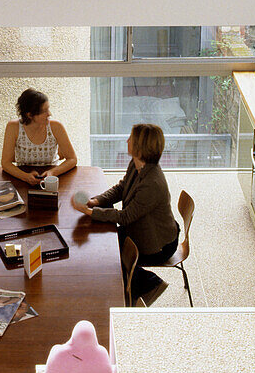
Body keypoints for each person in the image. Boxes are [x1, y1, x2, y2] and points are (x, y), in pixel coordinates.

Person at [72, 123, 178, 307]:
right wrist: (96, 201)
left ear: (140, 147)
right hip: (139, 229)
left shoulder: (152, 183)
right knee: (103, 244)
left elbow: (125, 217)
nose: (127, 140)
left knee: (109, 251)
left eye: (131, 138)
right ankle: (132, 284)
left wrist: (90, 212)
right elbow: (121, 188)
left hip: (158, 244)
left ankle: (149, 284)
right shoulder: (136, 164)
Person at [1, 88, 77, 184]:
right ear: (30, 115)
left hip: (50, 180)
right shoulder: (13, 127)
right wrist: (25, 177)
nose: (49, 114)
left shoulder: (56, 126)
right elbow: (6, 163)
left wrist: (53, 172)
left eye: (48, 109)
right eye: (44, 111)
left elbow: (72, 159)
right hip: (22, 180)